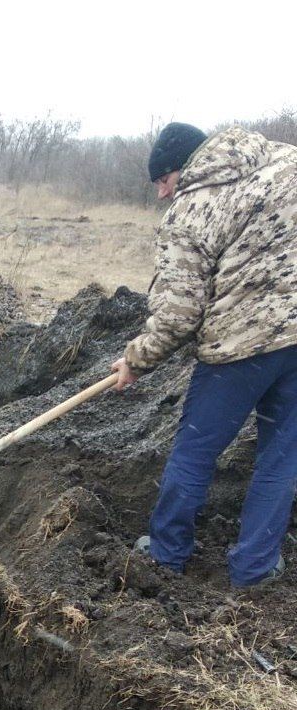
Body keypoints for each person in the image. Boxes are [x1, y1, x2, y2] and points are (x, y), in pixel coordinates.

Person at [112, 122, 297, 588]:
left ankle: (167, 553)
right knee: (281, 459)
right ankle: (255, 569)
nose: (160, 194)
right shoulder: (287, 163)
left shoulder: (192, 209)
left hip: (240, 348)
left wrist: (136, 360)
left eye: (162, 181)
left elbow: (178, 314)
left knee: (195, 452)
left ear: (184, 168)